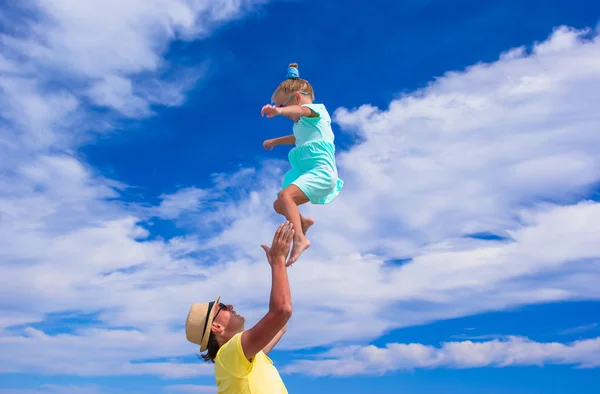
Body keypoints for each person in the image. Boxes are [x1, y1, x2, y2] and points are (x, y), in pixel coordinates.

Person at [185, 221, 295, 393]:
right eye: (222, 307)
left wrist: (279, 265)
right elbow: (282, 312)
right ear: (216, 326)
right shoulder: (230, 354)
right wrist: (278, 261)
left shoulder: (244, 357)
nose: (230, 305)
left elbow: (280, 325)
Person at [261, 63, 344, 266]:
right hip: (308, 171)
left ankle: (300, 239)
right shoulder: (302, 125)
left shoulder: (316, 111)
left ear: (297, 97)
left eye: (285, 107)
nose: (286, 113)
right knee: (279, 204)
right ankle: (303, 222)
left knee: (285, 196)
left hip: (321, 172)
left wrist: (278, 112)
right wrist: (276, 141)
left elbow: (301, 109)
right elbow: (295, 138)